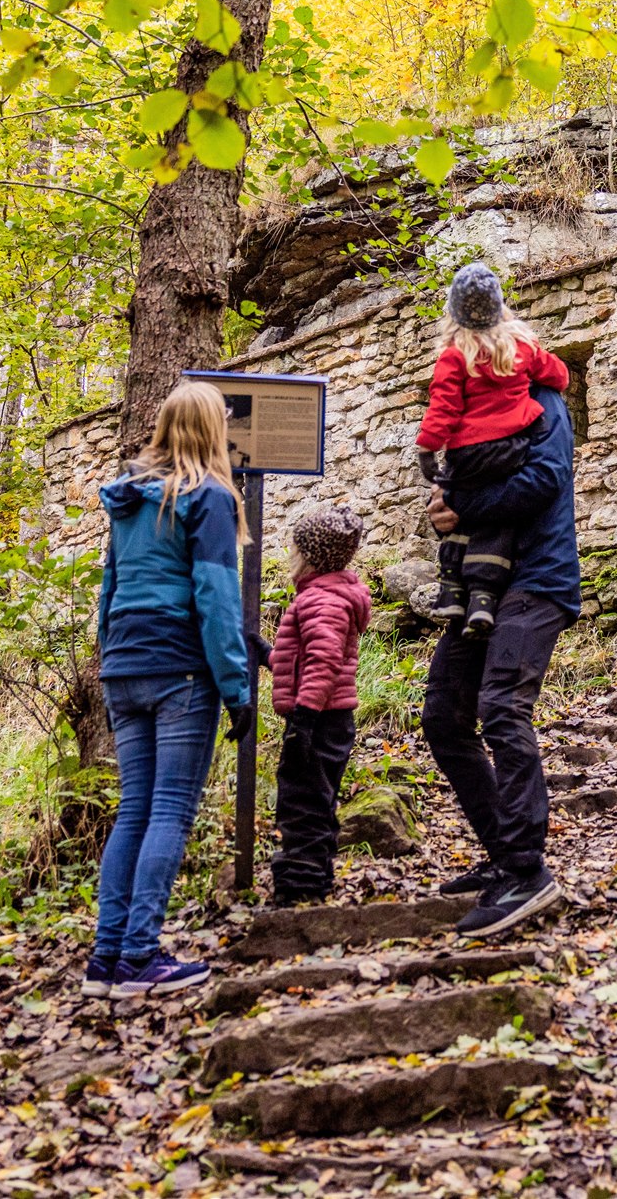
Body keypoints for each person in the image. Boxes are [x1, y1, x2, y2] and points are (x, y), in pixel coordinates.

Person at [82, 380, 255, 999]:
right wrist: (236, 688)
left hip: (125, 666)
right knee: (170, 810)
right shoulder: (208, 498)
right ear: (213, 429)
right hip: (181, 669)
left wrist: (111, 665)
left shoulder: (127, 500)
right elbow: (214, 597)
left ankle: (107, 959)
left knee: (134, 810)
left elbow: (109, 592)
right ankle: (139, 956)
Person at [421, 368, 580, 939]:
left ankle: (525, 870)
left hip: (538, 579)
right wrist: (443, 506)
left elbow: (545, 479)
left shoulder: (542, 401)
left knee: (504, 707)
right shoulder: (473, 412)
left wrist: (460, 502)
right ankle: (501, 850)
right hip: (482, 583)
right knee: (443, 715)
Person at [415, 263, 570, 639]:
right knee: (493, 518)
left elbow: (444, 407)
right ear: (500, 308)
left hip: (467, 453)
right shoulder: (520, 348)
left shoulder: (454, 356)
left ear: (454, 313)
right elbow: (560, 375)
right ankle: (482, 599)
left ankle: (452, 589)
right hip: (510, 448)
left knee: (459, 504)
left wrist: (427, 447)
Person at [265, 506, 370, 906]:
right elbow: (304, 660)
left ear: (308, 555)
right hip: (330, 716)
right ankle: (315, 874)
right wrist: (267, 655)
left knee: (302, 799)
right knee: (316, 795)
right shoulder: (326, 595)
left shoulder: (321, 599)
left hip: (319, 719)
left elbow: (323, 663)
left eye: (294, 548)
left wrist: (304, 719)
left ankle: (302, 884)